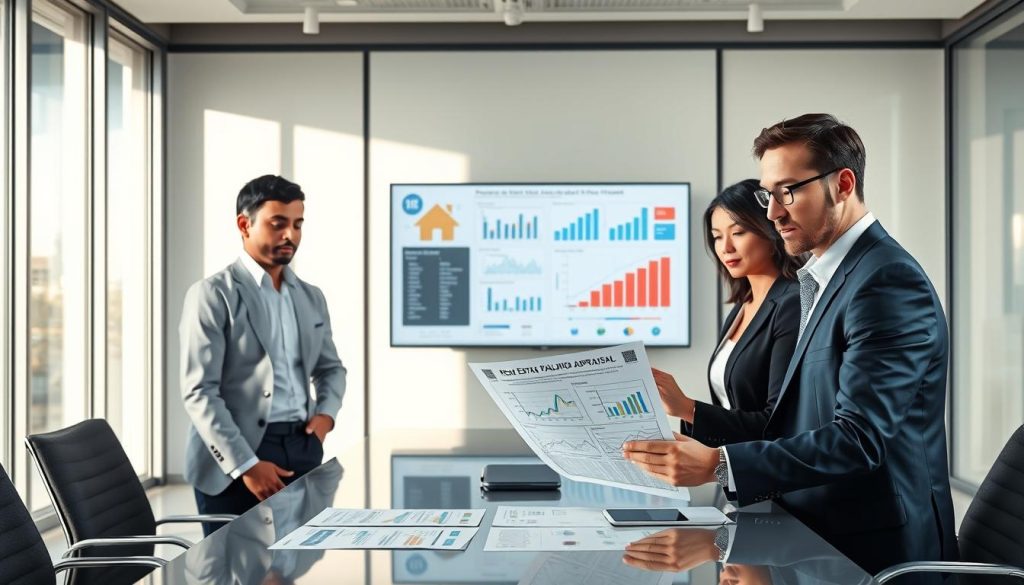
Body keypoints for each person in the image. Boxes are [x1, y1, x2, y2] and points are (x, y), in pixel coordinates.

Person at [624, 114, 957, 578]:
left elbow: (859, 439)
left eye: (789, 192)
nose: (773, 213)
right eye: (768, 195)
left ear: (842, 184)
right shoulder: (824, 278)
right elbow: (799, 418)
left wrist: (721, 465)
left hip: (872, 555)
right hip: (813, 537)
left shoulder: (886, 280)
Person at [180, 174, 347, 535]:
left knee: (302, 558)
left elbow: (331, 368)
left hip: (302, 445)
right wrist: (246, 465)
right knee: (235, 561)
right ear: (244, 225)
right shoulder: (212, 295)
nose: (290, 235)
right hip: (235, 454)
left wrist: (325, 418)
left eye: (298, 224)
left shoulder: (311, 296)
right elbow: (200, 392)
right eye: (278, 223)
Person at [656, 179, 802, 448]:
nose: (725, 248)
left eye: (738, 232)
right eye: (717, 236)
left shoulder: (792, 304)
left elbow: (777, 423)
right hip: (734, 466)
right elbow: (730, 408)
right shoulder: (741, 308)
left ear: (771, 230)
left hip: (770, 469)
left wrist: (688, 408)